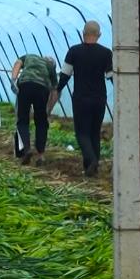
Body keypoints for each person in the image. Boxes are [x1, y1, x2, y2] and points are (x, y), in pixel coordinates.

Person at [57, 20, 113, 176]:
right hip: (99, 98)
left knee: (82, 133)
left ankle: (92, 160)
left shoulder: (74, 51)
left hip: (81, 98)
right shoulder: (106, 53)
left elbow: (65, 74)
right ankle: (91, 169)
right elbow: (111, 76)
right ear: (99, 35)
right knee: (94, 132)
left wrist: (57, 89)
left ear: (83, 33)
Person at [10, 53, 58, 165]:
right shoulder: (50, 67)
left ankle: (26, 149)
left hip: (25, 85)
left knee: (22, 120)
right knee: (41, 122)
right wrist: (48, 110)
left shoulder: (30, 56)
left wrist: (13, 80)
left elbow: (18, 63)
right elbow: (55, 91)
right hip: (42, 88)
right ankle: (41, 156)